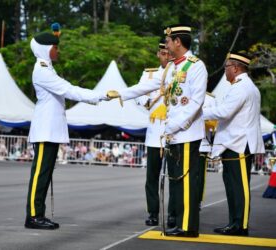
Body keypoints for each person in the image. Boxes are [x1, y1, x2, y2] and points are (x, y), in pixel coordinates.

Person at [25, 25, 106, 230]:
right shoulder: (42, 71)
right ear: (45, 49)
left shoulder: (47, 68)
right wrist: (99, 95)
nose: (58, 51)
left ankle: (38, 213)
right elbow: (69, 89)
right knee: (40, 174)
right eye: (55, 47)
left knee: (45, 173)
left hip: (50, 129)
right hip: (45, 130)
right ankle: (33, 216)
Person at [107, 40, 173, 226]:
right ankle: (153, 212)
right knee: (151, 177)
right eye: (162, 53)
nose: (165, 56)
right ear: (158, 55)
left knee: (174, 177)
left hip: (174, 131)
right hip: (154, 131)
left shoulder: (179, 72)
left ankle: (174, 214)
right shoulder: (149, 74)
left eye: (168, 53)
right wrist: (145, 102)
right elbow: (139, 94)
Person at [203, 52, 265, 236]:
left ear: (236, 68)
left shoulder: (242, 87)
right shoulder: (243, 86)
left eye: (227, 67)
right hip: (234, 142)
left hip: (238, 143)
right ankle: (235, 222)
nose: (225, 71)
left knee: (239, 186)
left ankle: (240, 224)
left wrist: (198, 112)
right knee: (232, 186)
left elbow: (224, 112)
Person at [162, 25, 207, 238]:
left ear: (178, 41)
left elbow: (196, 102)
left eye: (169, 41)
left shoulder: (196, 66)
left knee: (188, 180)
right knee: (177, 181)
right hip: (174, 134)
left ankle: (188, 226)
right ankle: (180, 222)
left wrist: (174, 125)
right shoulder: (173, 67)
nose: (167, 45)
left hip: (187, 132)